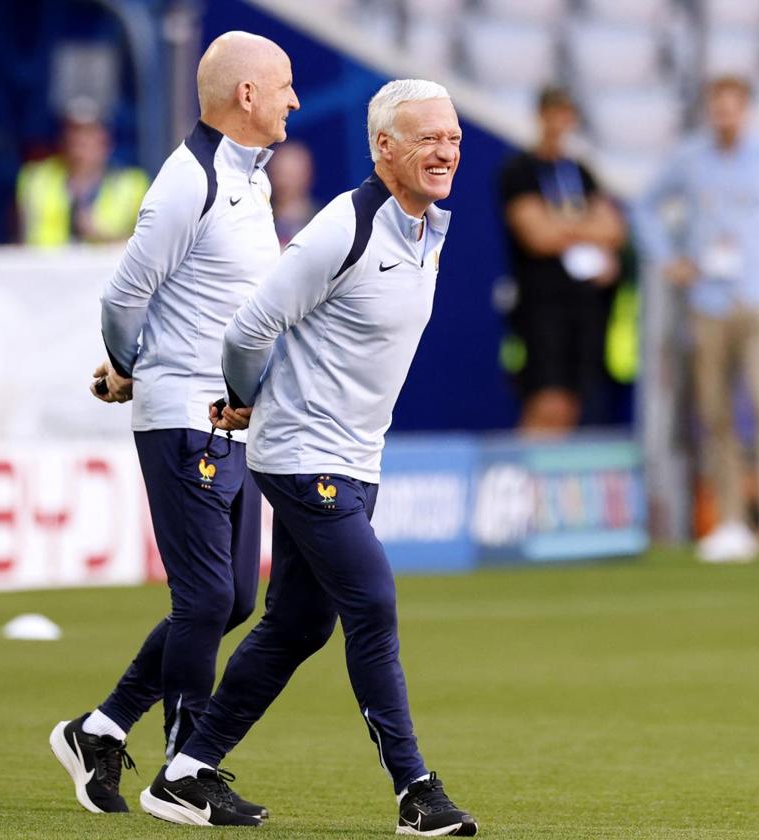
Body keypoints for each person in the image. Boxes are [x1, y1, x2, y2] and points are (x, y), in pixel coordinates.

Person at [136, 78, 478, 836]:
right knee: (372, 601)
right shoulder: (342, 229)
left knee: (297, 626)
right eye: (428, 138)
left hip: (357, 459)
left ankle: (186, 772)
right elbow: (248, 329)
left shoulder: (428, 231)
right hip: (301, 454)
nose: (446, 151)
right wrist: (244, 398)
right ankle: (416, 792)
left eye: (453, 137)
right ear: (384, 148)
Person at [48, 31, 299, 817]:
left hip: (229, 415)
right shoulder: (186, 182)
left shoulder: (247, 180)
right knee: (201, 602)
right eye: (284, 85)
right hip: (183, 413)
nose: (294, 98)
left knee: (232, 603)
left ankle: (102, 728)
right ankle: (182, 774)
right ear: (247, 97)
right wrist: (125, 366)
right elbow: (124, 295)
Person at [633, 75, 759, 563]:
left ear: (747, 110)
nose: (725, 117)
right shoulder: (690, 159)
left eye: (733, 108)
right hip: (708, 298)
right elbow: (645, 207)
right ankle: (733, 521)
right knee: (716, 414)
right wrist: (668, 258)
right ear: (709, 112)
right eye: (717, 108)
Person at [498, 85, 628, 433]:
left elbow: (614, 230)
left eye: (566, 114)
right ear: (540, 117)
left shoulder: (580, 172)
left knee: (572, 403)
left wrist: (562, 225)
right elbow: (537, 236)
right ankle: (521, 483)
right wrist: (587, 227)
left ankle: (546, 484)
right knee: (546, 401)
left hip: (583, 304)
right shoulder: (520, 170)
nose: (560, 123)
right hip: (541, 306)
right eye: (553, 114)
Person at [15, 98, 149, 246]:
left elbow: (148, 248)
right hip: (44, 266)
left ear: (106, 141)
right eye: (74, 133)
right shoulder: (35, 178)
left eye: (89, 134)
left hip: (107, 267)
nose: (80, 142)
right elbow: (17, 238)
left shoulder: (132, 183)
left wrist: (103, 236)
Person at [268, 139, 318, 245]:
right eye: (280, 173)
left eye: (291, 174)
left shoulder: (323, 220)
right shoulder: (260, 220)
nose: (284, 181)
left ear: (307, 174)